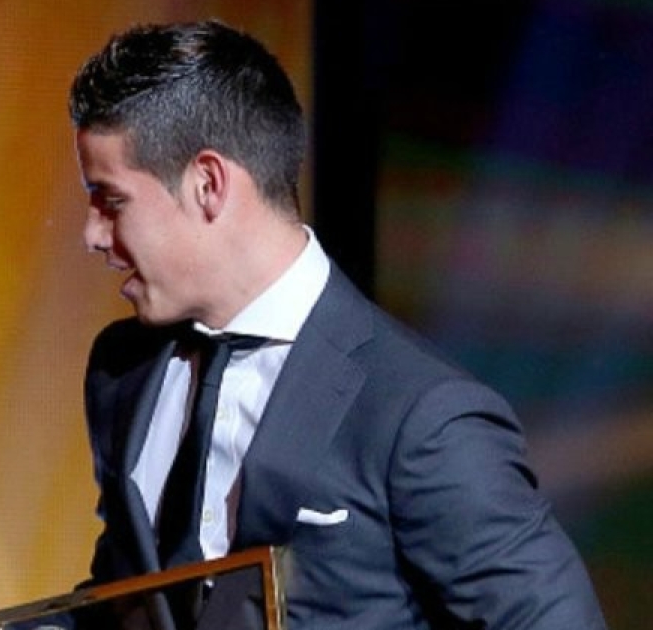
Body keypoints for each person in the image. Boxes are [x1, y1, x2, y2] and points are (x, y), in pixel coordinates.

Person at [67, 19, 608, 629]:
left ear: (208, 184)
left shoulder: (420, 416)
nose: (92, 234)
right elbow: (127, 599)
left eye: (111, 200)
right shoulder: (122, 370)